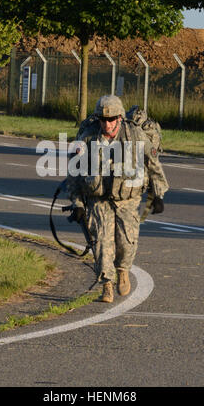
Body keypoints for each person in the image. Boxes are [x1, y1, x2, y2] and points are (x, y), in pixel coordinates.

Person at [66, 95, 169, 303]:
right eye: (103, 119)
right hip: (99, 199)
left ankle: (122, 270)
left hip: (127, 198)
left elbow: (153, 163)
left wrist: (158, 193)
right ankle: (106, 286)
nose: (107, 123)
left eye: (112, 119)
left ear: (120, 118)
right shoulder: (88, 138)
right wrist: (77, 204)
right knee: (102, 241)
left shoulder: (135, 135)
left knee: (127, 242)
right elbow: (74, 173)